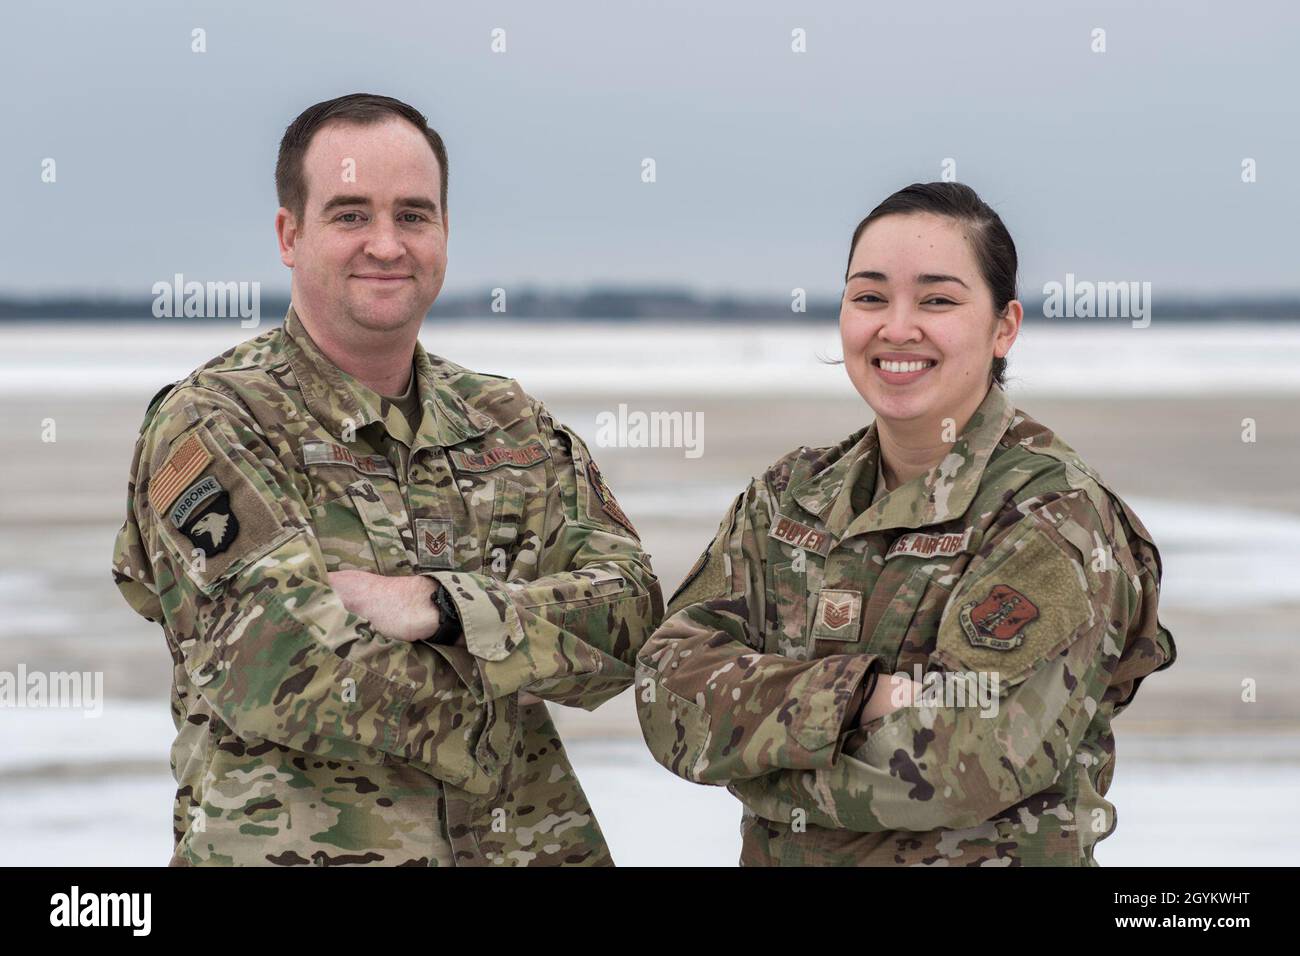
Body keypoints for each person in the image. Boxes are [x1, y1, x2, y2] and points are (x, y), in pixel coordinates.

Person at [112, 93, 663, 866]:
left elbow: (634, 615)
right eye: (349, 215)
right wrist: (519, 667)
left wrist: (441, 607)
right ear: (289, 234)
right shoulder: (216, 425)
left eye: (412, 215)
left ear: (443, 232)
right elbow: (286, 667)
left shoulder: (507, 422)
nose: (385, 244)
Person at [635, 181, 1176, 866]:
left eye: (937, 300)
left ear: (1004, 325)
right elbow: (663, 691)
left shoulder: (1050, 516)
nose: (896, 328)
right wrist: (859, 696)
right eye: (869, 297)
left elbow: (962, 764)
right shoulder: (788, 498)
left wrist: (752, 758)